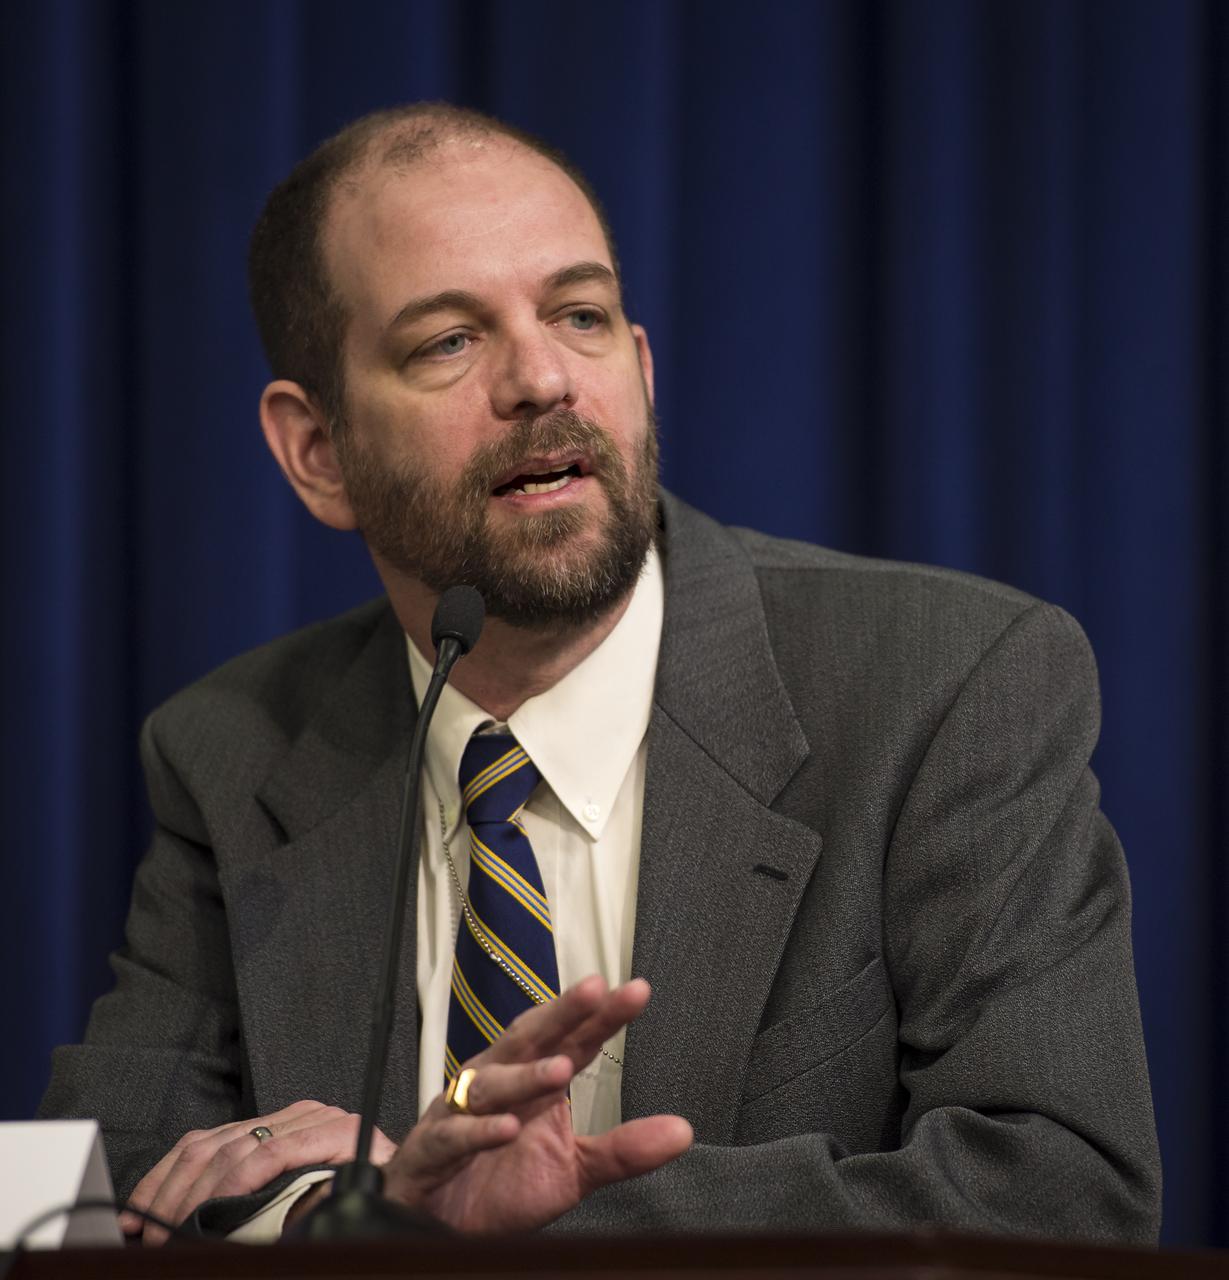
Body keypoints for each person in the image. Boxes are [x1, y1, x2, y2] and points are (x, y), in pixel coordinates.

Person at [40, 102, 1161, 1245]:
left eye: (579, 314)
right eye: (447, 340)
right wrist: (328, 1213)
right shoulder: (231, 750)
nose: (540, 378)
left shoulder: (942, 686)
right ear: (317, 452)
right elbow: (79, 1193)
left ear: (637, 367)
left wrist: (479, 1236)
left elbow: (1063, 1187)